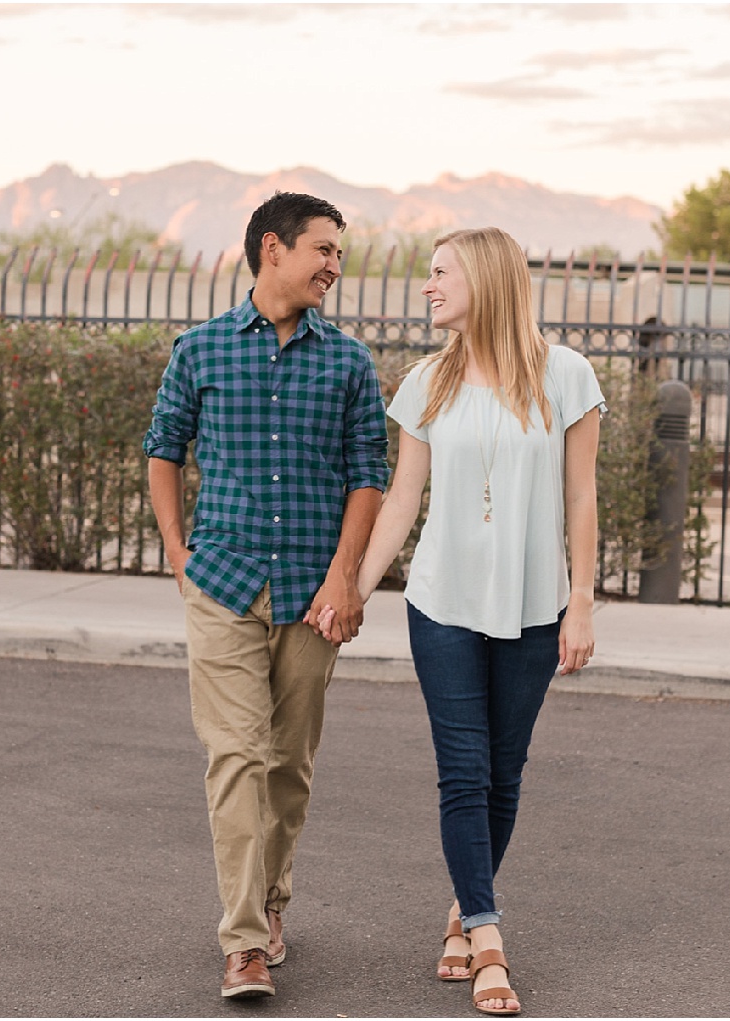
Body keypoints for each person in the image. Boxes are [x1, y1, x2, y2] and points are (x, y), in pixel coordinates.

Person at [318, 227, 604, 1016]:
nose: (427, 286)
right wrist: (354, 590)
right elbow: (403, 499)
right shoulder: (425, 382)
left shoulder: (567, 376)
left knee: (505, 771)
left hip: (535, 607)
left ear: (483, 277)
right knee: (464, 770)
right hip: (442, 604)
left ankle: (460, 906)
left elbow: (581, 496)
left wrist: (582, 600)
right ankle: (486, 934)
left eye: (440, 272)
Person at [142, 192, 389, 1000]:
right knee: (236, 755)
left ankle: (272, 903)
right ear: (273, 249)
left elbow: (368, 477)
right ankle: (244, 940)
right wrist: (179, 551)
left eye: (340, 256)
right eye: (324, 250)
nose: (333, 266)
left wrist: (344, 575)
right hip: (222, 582)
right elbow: (162, 450)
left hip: (313, 593)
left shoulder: (349, 361)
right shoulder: (202, 350)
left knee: (289, 764)